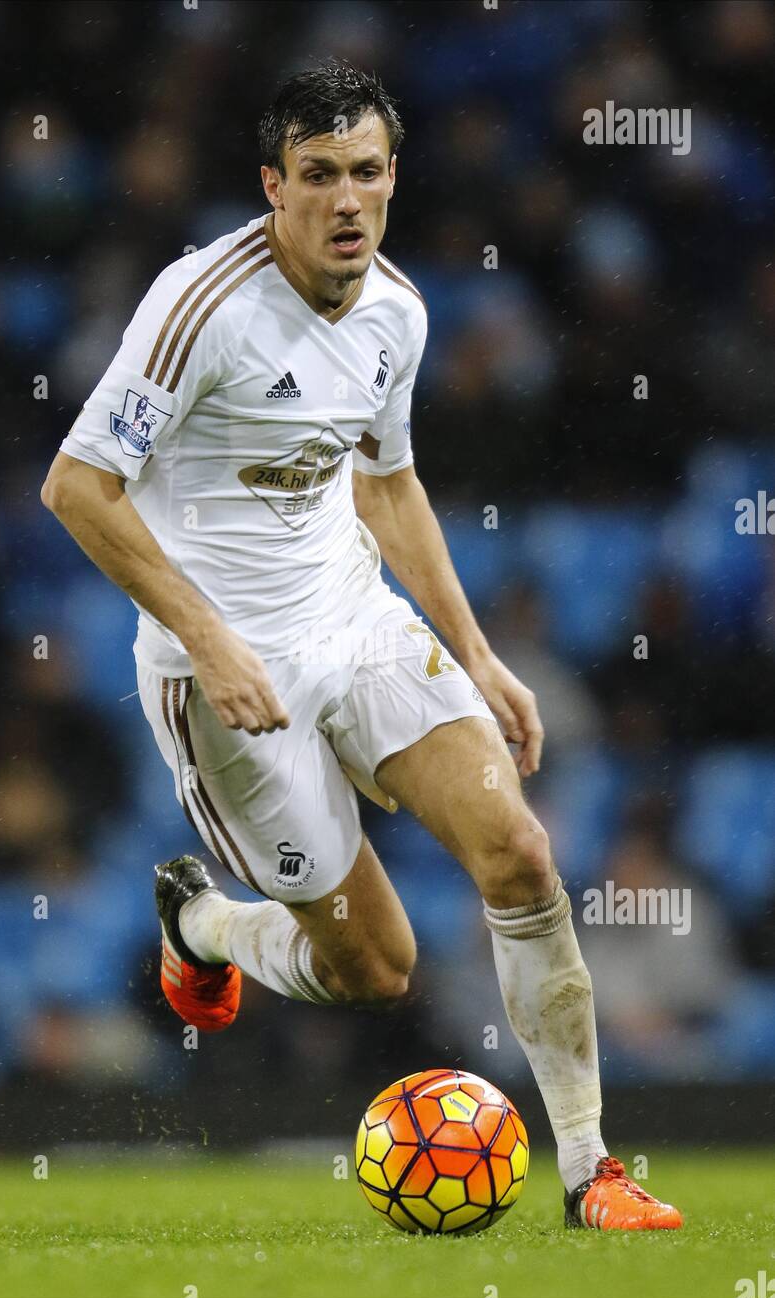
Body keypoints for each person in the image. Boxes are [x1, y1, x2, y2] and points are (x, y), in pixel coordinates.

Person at [42, 58, 681, 1230]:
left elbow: (387, 486)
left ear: (393, 181)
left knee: (522, 860)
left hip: (357, 622)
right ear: (273, 186)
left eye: (369, 174)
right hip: (224, 672)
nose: (347, 200)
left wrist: (478, 655)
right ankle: (203, 923)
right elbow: (77, 487)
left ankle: (591, 1171)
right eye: (321, 175)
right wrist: (210, 638)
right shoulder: (200, 307)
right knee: (373, 970)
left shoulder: (397, 310)